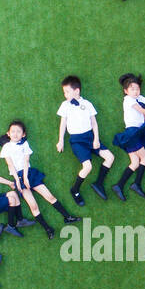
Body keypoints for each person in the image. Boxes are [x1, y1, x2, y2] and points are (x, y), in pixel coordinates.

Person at [0, 120, 80, 236]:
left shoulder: (24, 144)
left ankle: (68, 217)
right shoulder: (6, 147)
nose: (15, 133)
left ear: (23, 134)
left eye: (18, 131)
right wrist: (18, 180)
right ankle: (48, 229)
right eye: (13, 131)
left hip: (29, 174)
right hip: (18, 177)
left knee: (50, 196)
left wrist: (26, 177)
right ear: (8, 133)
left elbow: (26, 160)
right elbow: (10, 165)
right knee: (33, 205)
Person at [56, 75, 115, 205]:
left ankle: (98, 184)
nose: (65, 95)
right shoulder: (65, 105)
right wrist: (61, 140)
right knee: (88, 166)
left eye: (67, 92)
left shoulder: (87, 104)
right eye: (64, 92)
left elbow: (94, 123)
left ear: (76, 91)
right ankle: (75, 190)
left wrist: (96, 139)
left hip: (90, 137)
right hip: (77, 140)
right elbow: (63, 124)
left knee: (110, 157)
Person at [111, 73, 145, 200]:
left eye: (137, 88)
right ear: (126, 91)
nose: (135, 91)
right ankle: (136, 184)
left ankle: (119, 185)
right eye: (132, 89)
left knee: (135, 163)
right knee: (144, 158)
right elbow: (142, 111)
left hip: (136, 133)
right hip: (131, 133)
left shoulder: (139, 98)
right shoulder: (128, 100)